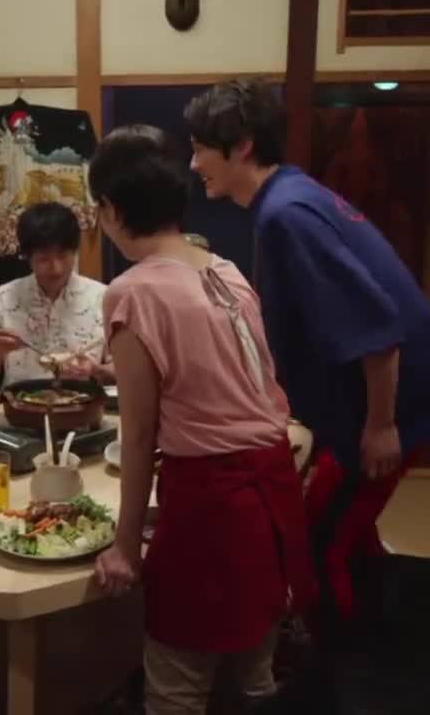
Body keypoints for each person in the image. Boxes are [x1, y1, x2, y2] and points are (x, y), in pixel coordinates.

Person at [184, 78, 430, 630]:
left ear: (242, 145)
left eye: (200, 148)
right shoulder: (292, 192)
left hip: (393, 404)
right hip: (379, 398)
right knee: (346, 525)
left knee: (314, 542)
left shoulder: (286, 214)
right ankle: (374, 612)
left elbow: (376, 327)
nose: (193, 164)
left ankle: (338, 658)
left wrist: (381, 426)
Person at [89, 125, 311, 715]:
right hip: (271, 499)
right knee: (254, 683)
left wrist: (125, 548)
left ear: (110, 209)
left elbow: (138, 435)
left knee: (176, 689)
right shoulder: (226, 271)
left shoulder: (132, 292)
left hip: (213, 507)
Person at [0, 201, 113, 385]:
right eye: (44, 259)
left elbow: (123, 370)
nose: (56, 268)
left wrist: (94, 370)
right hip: (19, 400)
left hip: (83, 400)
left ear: (74, 251)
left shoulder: (102, 297)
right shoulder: (3, 298)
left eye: (63, 256)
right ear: (27, 257)